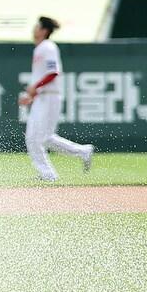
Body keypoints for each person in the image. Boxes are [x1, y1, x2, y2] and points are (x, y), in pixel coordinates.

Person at [20, 16, 95, 181]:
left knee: (39, 137)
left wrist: (35, 88)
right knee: (37, 137)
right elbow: (44, 75)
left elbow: (53, 73)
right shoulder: (40, 48)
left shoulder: (48, 47)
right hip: (42, 97)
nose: (34, 30)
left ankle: (49, 173)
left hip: (50, 97)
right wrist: (32, 94)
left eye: (37, 27)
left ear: (44, 30)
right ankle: (79, 154)